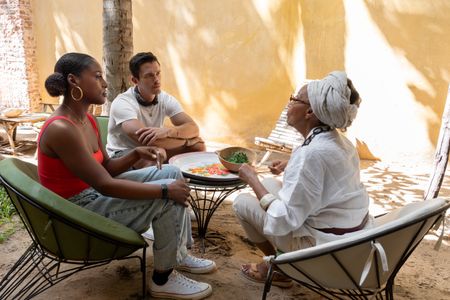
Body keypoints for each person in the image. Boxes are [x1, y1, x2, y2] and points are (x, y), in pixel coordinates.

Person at [40, 52, 215, 299]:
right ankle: (163, 279)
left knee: (172, 172)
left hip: (94, 195)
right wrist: (164, 191)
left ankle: (179, 256)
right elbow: (106, 184)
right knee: (168, 192)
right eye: (97, 76)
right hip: (76, 213)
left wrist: (134, 155)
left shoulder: (87, 119)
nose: (105, 83)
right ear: (73, 81)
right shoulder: (61, 128)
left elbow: (107, 168)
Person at [233, 71, 372, 287]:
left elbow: (283, 218)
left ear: (309, 111)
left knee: (242, 202)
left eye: (294, 99)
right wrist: (291, 164)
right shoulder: (341, 143)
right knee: (270, 185)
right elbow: (325, 172)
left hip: (323, 249)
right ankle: (281, 264)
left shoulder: (310, 154)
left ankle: (281, 267)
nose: (289, 104)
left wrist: (252, 179)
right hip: (348, 239)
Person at [106, 52, 205, 169]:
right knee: (154, 157)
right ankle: (166, 183)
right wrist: (186, 142)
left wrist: (168, 131)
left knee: (198, 146)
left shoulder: (165, 98)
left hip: (156, 150)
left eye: (158, 73)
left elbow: (193, 128)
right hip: (123, 154)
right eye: (149, 76)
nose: (156, 79)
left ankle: (175, 179)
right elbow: (149, 141)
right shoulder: (123, 103)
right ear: (135, 80)